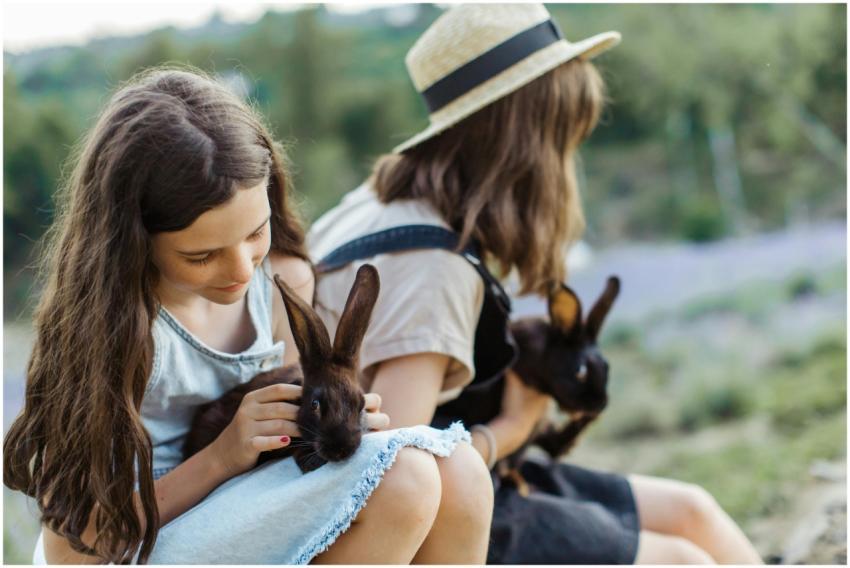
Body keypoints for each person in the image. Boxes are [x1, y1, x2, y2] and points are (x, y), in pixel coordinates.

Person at [308, 4, 763, 564]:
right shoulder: (434, 266)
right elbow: (391, 477)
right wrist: (515, 424)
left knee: (693, 510)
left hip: (484, 471)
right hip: (451, 519)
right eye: (564, 139)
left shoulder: (376, 203)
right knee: (681, 560)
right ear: (524, 147)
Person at [3, 67, 494, 565]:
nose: (241, 270)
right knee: (404, 480)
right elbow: (73, 552)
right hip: (135, 544)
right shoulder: (114, 331)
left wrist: (344, 421)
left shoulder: (284, 283)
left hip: (242, 507)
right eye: (202, 256)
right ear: (134, 243)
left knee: (461, 472)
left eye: (256, 233)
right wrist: (222, 456)